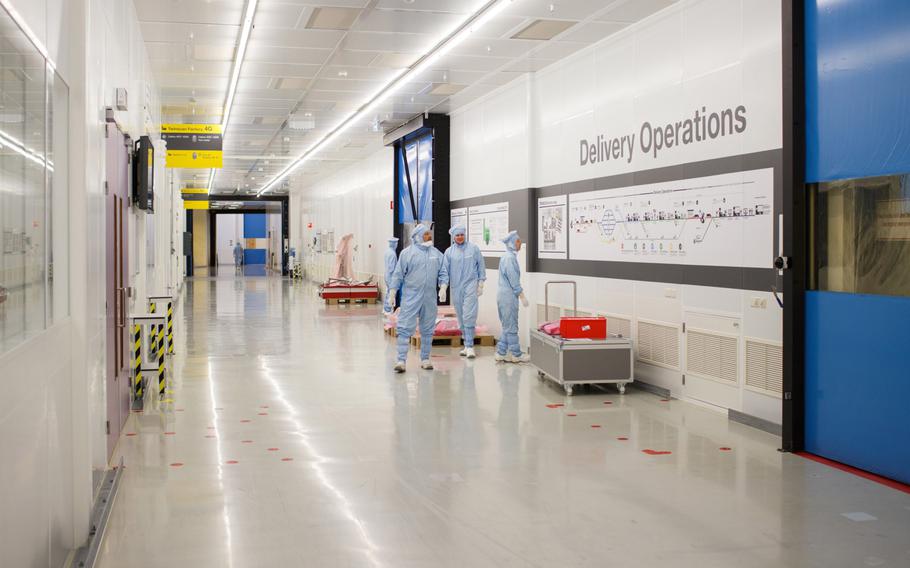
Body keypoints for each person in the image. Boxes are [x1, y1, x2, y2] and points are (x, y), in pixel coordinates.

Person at [388, 224, 449, 372]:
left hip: (429, 298)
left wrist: (443, 287)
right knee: (404, 327)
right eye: (426, 234)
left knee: (428, 328)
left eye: (429, 234)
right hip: (411, 296)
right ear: (417, 236)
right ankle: (401, 360)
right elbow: (398, 274)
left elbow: (443, 272)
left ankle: (425, 359)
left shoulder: (436, 254)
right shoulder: (407, 254)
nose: (429, 236)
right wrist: (392, 292)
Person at [443, 224, 486, 358]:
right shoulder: (449, 252)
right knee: (461, 315)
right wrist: (444, 286)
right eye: (457, 235)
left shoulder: (473, 249)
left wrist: (481, 283)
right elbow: (444, 270)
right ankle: (465, 344)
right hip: (456, 287)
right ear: (453, 237)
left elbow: (481, 265)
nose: (460, 237)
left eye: (462, 234)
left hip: (470, 285)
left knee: (469, 314)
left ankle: (470, 345)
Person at [495, 230, 529, 363]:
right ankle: (516, 354)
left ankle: (501, 352)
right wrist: (522, 295)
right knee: (512, 326)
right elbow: (513, 279)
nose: (520, 243)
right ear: (512, 243)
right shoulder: (509, 258)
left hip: (504, 295)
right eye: (518, 241)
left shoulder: (508, 256)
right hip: (508, 297)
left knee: (507, 326)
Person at [383, 237, 399, 313]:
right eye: (396, 243)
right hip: (391, 277)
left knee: (388, 292)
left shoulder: (387, 252)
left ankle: (385, 308)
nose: (397, 245)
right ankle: (388, 310)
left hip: (386, 275)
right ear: (394, 244)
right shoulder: (392, 254)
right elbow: (392, 268)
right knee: (391, 293)